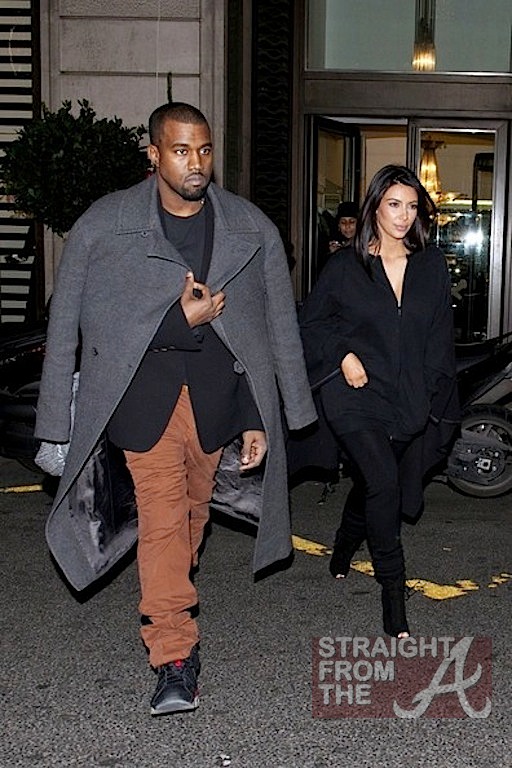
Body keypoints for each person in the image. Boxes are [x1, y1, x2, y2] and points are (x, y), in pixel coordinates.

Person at [34, 101, 317, 715]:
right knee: (163, 520)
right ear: (154, 155)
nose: (196, 163)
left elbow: (265, 331)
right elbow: (76, 324)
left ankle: (170, 596)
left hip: (216, 402)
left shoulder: (247, 227)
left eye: (205, 150)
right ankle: (174, 655)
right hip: (143, 402)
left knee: (190, 518)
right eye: (182, 151)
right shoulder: (106, 225)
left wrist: (259, 416)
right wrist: (176, 321)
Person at [299, 164, 458, 638]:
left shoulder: (430, 265)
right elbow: (311, 324)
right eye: (394, 205)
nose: (403, 216)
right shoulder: (345, 266)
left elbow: (439, 336)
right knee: (385, 482)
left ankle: (344, 544)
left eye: (412, 207)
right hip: (354, 393)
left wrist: (431, 392)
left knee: (375, 481)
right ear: (375, 207)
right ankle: (393, 594)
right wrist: (342, 354)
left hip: (406, 397)